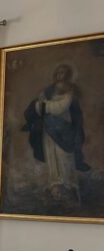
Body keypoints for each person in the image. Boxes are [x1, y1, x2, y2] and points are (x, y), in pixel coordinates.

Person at [22, 63, 89, 204]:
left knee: (63, 156)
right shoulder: (48, 91)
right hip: (49, 131)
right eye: (58, 72)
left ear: (68, 75)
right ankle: (55, 187)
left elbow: (60, 107)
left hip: (64, 130)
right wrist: (41, 107)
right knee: (51, 156)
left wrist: (45, 106)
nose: (60, 75)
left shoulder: (70, 92)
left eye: (63, 72)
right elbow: (37, 105)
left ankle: (68, 186)